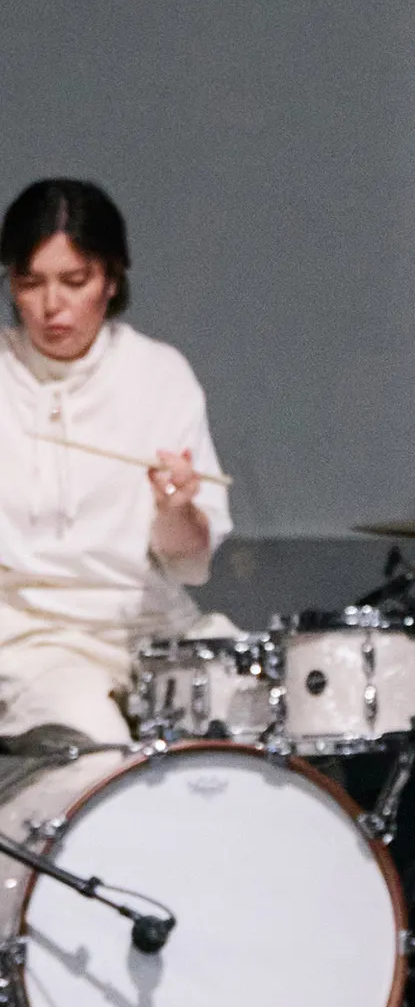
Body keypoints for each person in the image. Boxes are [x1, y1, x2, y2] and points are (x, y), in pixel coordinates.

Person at [0, 179, 229, 749]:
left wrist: (176, 510)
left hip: (151, 627)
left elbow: (190, 567)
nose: (52, 305)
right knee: (92, 745)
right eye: (30, 282)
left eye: (74, 281)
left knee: (245, 718)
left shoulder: (159, 373)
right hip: (32, 638)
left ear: (111, 278)